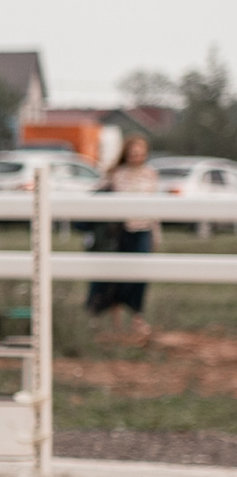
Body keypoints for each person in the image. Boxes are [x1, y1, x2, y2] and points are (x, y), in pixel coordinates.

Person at [87, 134, 159, 336]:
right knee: (116, 275)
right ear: (126, 153)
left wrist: (156, 235)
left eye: (140, 153)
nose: (136, 156)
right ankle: (115, 322)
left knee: (140, 275)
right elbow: (99, 195)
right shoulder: (116, 174)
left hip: (143, 229)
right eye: (133, 153)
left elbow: (156, 207)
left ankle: (137, 318)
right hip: (121, 231)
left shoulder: (150, 174)